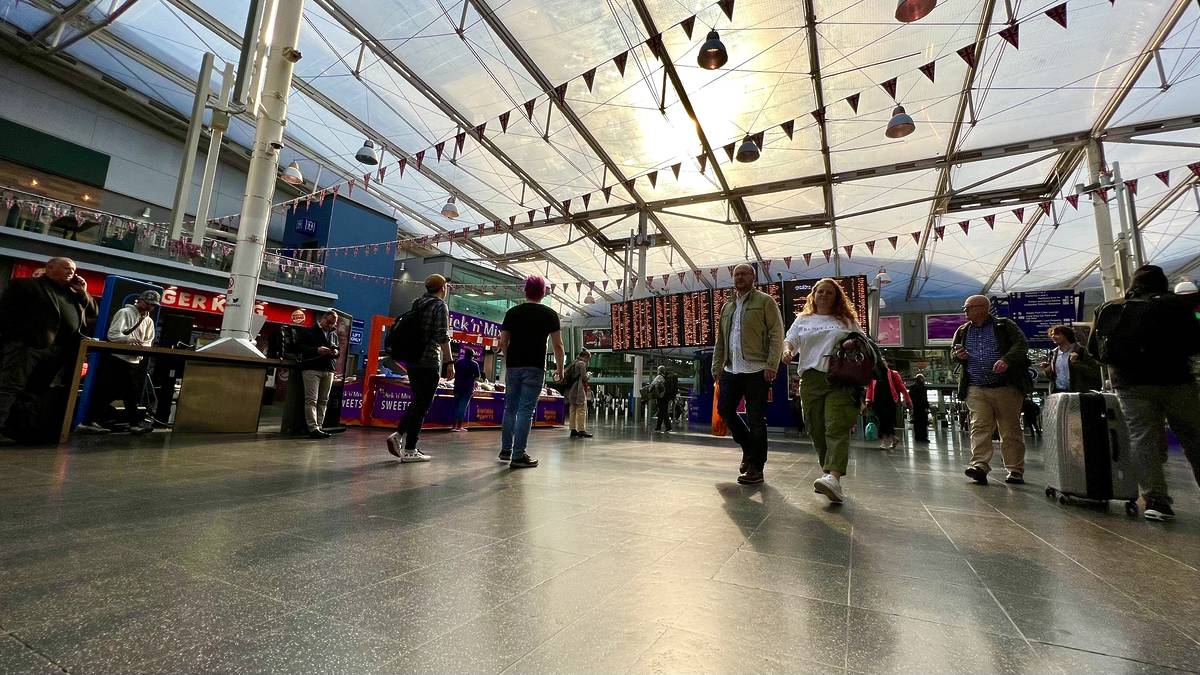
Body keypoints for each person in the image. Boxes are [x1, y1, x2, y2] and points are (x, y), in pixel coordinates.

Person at [1090, 264, 1200, 522]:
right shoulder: (1179, 305)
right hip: (1177, 381)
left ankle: (1156, 500)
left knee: (1143, 439)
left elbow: (1095, 348)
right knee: (1194, 436)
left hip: (1131, 384)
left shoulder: (1112, 307)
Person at [0, 257, 97, 445]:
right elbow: (6, 314)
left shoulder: (73, 293)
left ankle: (18, 428)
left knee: (35, 391)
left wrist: (83, 292)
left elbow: (93, 313)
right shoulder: (25, 286)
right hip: (28, 346)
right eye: (67, 268)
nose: (72, 272)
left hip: (58, 351)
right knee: (10, 387)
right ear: (50, 268)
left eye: (74, 269)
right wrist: (17, 339)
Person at [782, 278, 861, 502]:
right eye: (820, 292)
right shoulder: (803, 319)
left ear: (837, 297)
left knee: (836, 426)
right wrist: (787, 352)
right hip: (810, 379)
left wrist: (851, 344)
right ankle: (829, 474)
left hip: (839, 378)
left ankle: (833, 477)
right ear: (813, 295)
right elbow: (790, 340)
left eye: (829, 292)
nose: (824, 295)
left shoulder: (845, 320)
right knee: (815, 428)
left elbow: (863, 342)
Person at [713, 263, 784, 486]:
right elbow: (721, 341)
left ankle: (756, 468)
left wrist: (772, 364)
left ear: (753, 277)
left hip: (756, 370)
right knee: (724, 409)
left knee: (755, 419)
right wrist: (716, 367)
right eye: (736, 274)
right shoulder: (727, 307)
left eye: (744, 274)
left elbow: (776, 333)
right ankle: (748, 449)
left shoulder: (765, 301)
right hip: (731, 369)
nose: (739, 277)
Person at [952, 295, 1032, 486]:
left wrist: (1006, 360)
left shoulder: (1004, 326)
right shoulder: (963, 330)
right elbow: (953, 353)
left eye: (967, 307)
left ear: (981, 308)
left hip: (1006, 387)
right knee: (979, 426)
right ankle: (979, 465)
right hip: (975, 387)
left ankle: (1015, 469)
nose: (965, 311)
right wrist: (958, 355)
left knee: (1010, 429)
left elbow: (1022, 345)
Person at [497, 275, 564, 469]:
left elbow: (503, 342)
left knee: (510, 408)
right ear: (543, 293)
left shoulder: (512, 313)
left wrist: (509, 361)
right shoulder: (550, 314)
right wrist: (560, 369)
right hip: (535, 367)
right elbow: (558, 345)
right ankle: (518, 455)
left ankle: (506, 450)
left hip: (514, 367)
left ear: (525, 291)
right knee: (526, 410)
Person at [387, 275, 452, 462]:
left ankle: (399, 436)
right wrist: (449, 362)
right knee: (423, 404)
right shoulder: (440, 306)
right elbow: (442, 335)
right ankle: (409, 448)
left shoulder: (417, 304)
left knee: (418, 401)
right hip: (429, 360)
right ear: (443, 288)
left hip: (413, 361)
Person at [78, 289, 160, 434]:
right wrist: (131, 340)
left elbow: (148, 341)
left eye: (152, 305)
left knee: (125, 393)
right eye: (147, 303)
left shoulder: (148, 321)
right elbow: (113, 335)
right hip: (118, 359)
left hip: (133, 360)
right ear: (140, 300)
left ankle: (92, 420)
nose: (149, 307)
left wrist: (140, 346)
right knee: (115, 392)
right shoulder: (125, 313)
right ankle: (92, 421)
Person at [297, 309, 340, 439]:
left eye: (333, 323)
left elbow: (338, 350)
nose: (330, 325)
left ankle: (319, 426)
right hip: (312, 368)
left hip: (328, 369)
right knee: (312, 399)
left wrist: (335, 352)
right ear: (323, 318)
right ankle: (313, 427)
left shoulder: (333, 335)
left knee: (323, 400)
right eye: (329, 322)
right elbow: (299, 347)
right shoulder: (308, 331)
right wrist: (317, 350)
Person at [1041, 324, 1102, 394]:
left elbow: (1096, 373)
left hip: (1078, 392)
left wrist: (1076, 363)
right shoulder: (1053, 353)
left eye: (1057, 334)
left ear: (1066, 335)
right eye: (1051, 335)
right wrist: (1047, 371)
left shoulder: (1081, 351)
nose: (1053, 337)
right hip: (1059, 392)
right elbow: (1054, 377)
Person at [866, 358, 910, 449]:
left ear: (886, 363)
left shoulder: (893, 374)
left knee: (887, 422)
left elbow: (902, 387)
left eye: (883, 362)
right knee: (882, 421)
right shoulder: (875, 375)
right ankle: (893, 439)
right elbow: (870, 388)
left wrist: (907, 400)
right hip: (877, 402)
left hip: (890, 401)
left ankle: (884, 442)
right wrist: (868, 400)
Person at [451, 348, 480, 432]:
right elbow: (477, 377)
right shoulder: (475, 364)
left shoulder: (458, 362)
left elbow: (454, 373)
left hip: (457, 386)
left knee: (456, 406)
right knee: (463, 407)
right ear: (472, 356)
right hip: (468, 388)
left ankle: (453, 426)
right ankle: (459, 426)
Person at [566, 349, 592, 438]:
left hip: (571, 389)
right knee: (581, 410)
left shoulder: (573, 363)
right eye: (588, 359)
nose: (588, 361)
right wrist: (588, 375)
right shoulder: (581, 364)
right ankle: (581, 430)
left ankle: (573, 429)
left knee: (572, 410)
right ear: (585, 357)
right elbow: (584, 378)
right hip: (579, 389)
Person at [652, 366, 674, 433]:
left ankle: (668, 427)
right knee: (662, 412)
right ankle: (658, 428)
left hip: (661, 397)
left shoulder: (659, 377)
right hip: (666, 397)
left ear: (659, 370)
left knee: (663, 412)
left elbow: (653, 384)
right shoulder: (666, 377)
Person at [909, 374, 930, 443]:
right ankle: (923, 437)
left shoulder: (912, 387)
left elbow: (910, 397)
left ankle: (917, 437)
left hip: (916, 408)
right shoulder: (923, 387)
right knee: (923, 423)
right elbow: (924, 398)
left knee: (917, 423)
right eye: (923, 378)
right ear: (921, 379)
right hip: (922, 408)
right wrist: (927, 407)